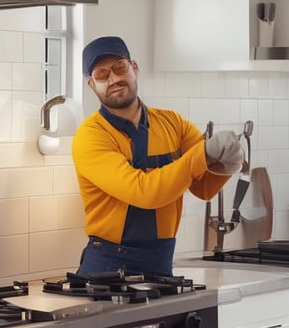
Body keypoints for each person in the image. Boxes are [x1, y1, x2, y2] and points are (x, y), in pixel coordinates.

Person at [71, 35, 244, 276]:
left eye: (120, 68)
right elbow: (144, 192)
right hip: (106, 270)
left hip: (160, 265)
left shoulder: (174, 123)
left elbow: (203, 188)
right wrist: (203, 154)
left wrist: (226, 165)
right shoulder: (90, 136)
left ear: (134, 68)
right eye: (102, 74)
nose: (114, 79)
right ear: (92, 84)